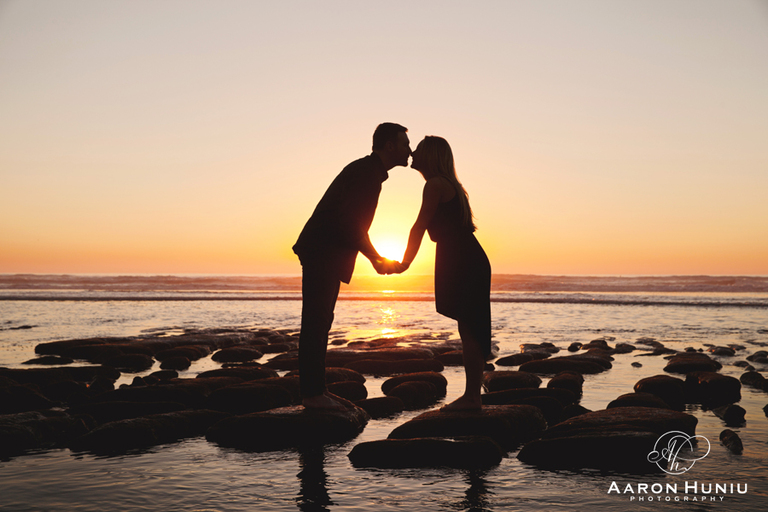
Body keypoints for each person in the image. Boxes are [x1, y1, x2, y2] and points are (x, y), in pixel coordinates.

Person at [293, 122, 411, 410]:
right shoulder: (367, 174)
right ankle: (312, 395)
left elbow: (352, 223)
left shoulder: (369, 172)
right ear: (390, 146)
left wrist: (374, 257)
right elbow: (349, 222)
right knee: (316, 321)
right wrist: (375, 258)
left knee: (321, 320)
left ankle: (317, 390)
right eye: (405, 143)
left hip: (324, 250)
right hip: (323, 251)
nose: (410, 149)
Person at [396, 136, 492, 411]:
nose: (413, 152)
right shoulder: (450, 184)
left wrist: (404, 263)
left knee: (470, 327)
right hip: (462, 255)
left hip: (462, 257)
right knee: (470, 326)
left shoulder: (435, 184)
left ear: (432, 156)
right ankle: (473, 394)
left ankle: (473, 397)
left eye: (419, 150)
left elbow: (418, 226)